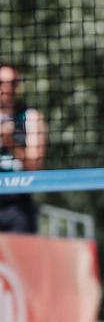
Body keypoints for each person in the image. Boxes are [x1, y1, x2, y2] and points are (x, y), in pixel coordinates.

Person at [0, 63, 47, 233]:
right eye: (1, 82)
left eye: (12, 83)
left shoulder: (30, 118)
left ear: (18, 86)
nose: (6, 88)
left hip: (18, 207)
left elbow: (35, 167)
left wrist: (10, 142)